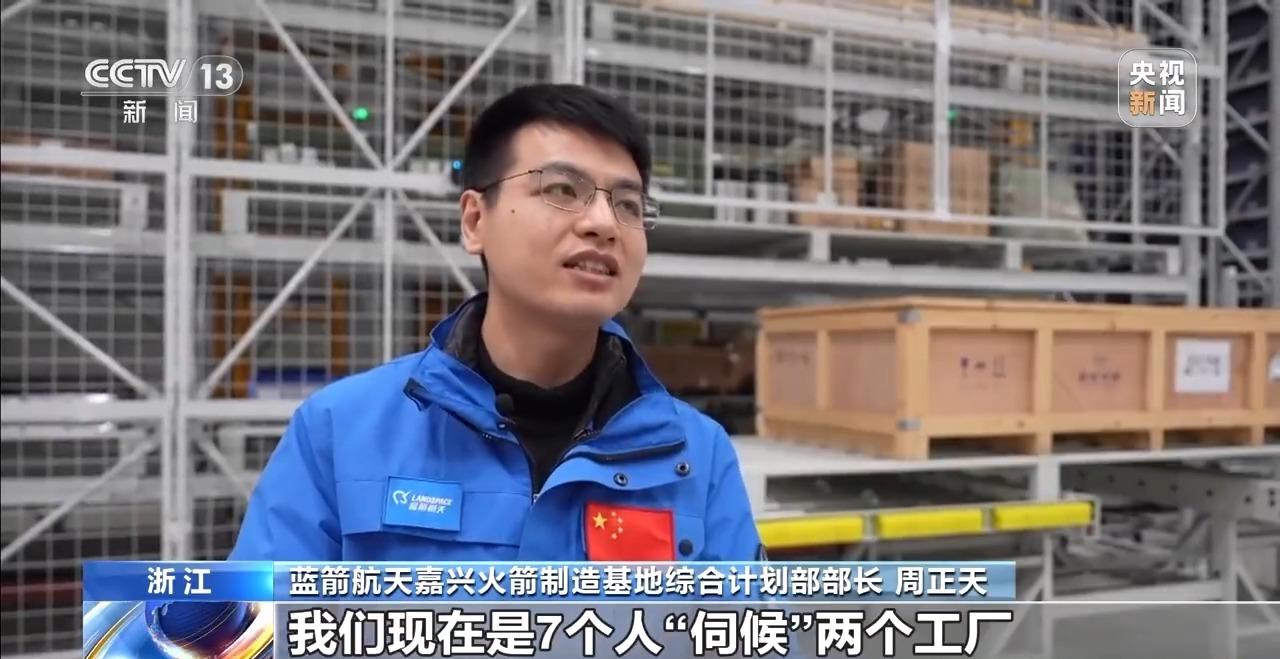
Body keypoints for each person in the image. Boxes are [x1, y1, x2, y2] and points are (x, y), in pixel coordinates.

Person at [229, 84, 764, 562]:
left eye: (628, 204)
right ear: (474, 220)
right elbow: (255, 628)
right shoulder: (339, 433)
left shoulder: (697, 457)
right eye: (562, 190)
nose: (603, 223)